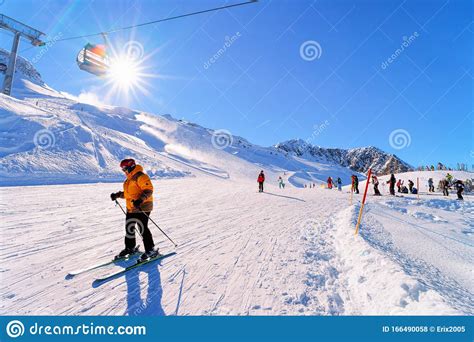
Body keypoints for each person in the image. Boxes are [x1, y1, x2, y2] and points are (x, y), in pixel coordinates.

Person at [110, 158, 157, 262]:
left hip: (143, 206)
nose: (123, 171)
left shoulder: (141, 176)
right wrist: (117, 195)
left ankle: (151, 250)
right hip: (131, 207)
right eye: (122, 169)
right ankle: (130, 248)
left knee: (142, 227)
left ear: (131, 166)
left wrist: (140, 200)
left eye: (124, 168)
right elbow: (128, 194)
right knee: (129, 227)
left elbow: (148, 190)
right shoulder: (128, 180)